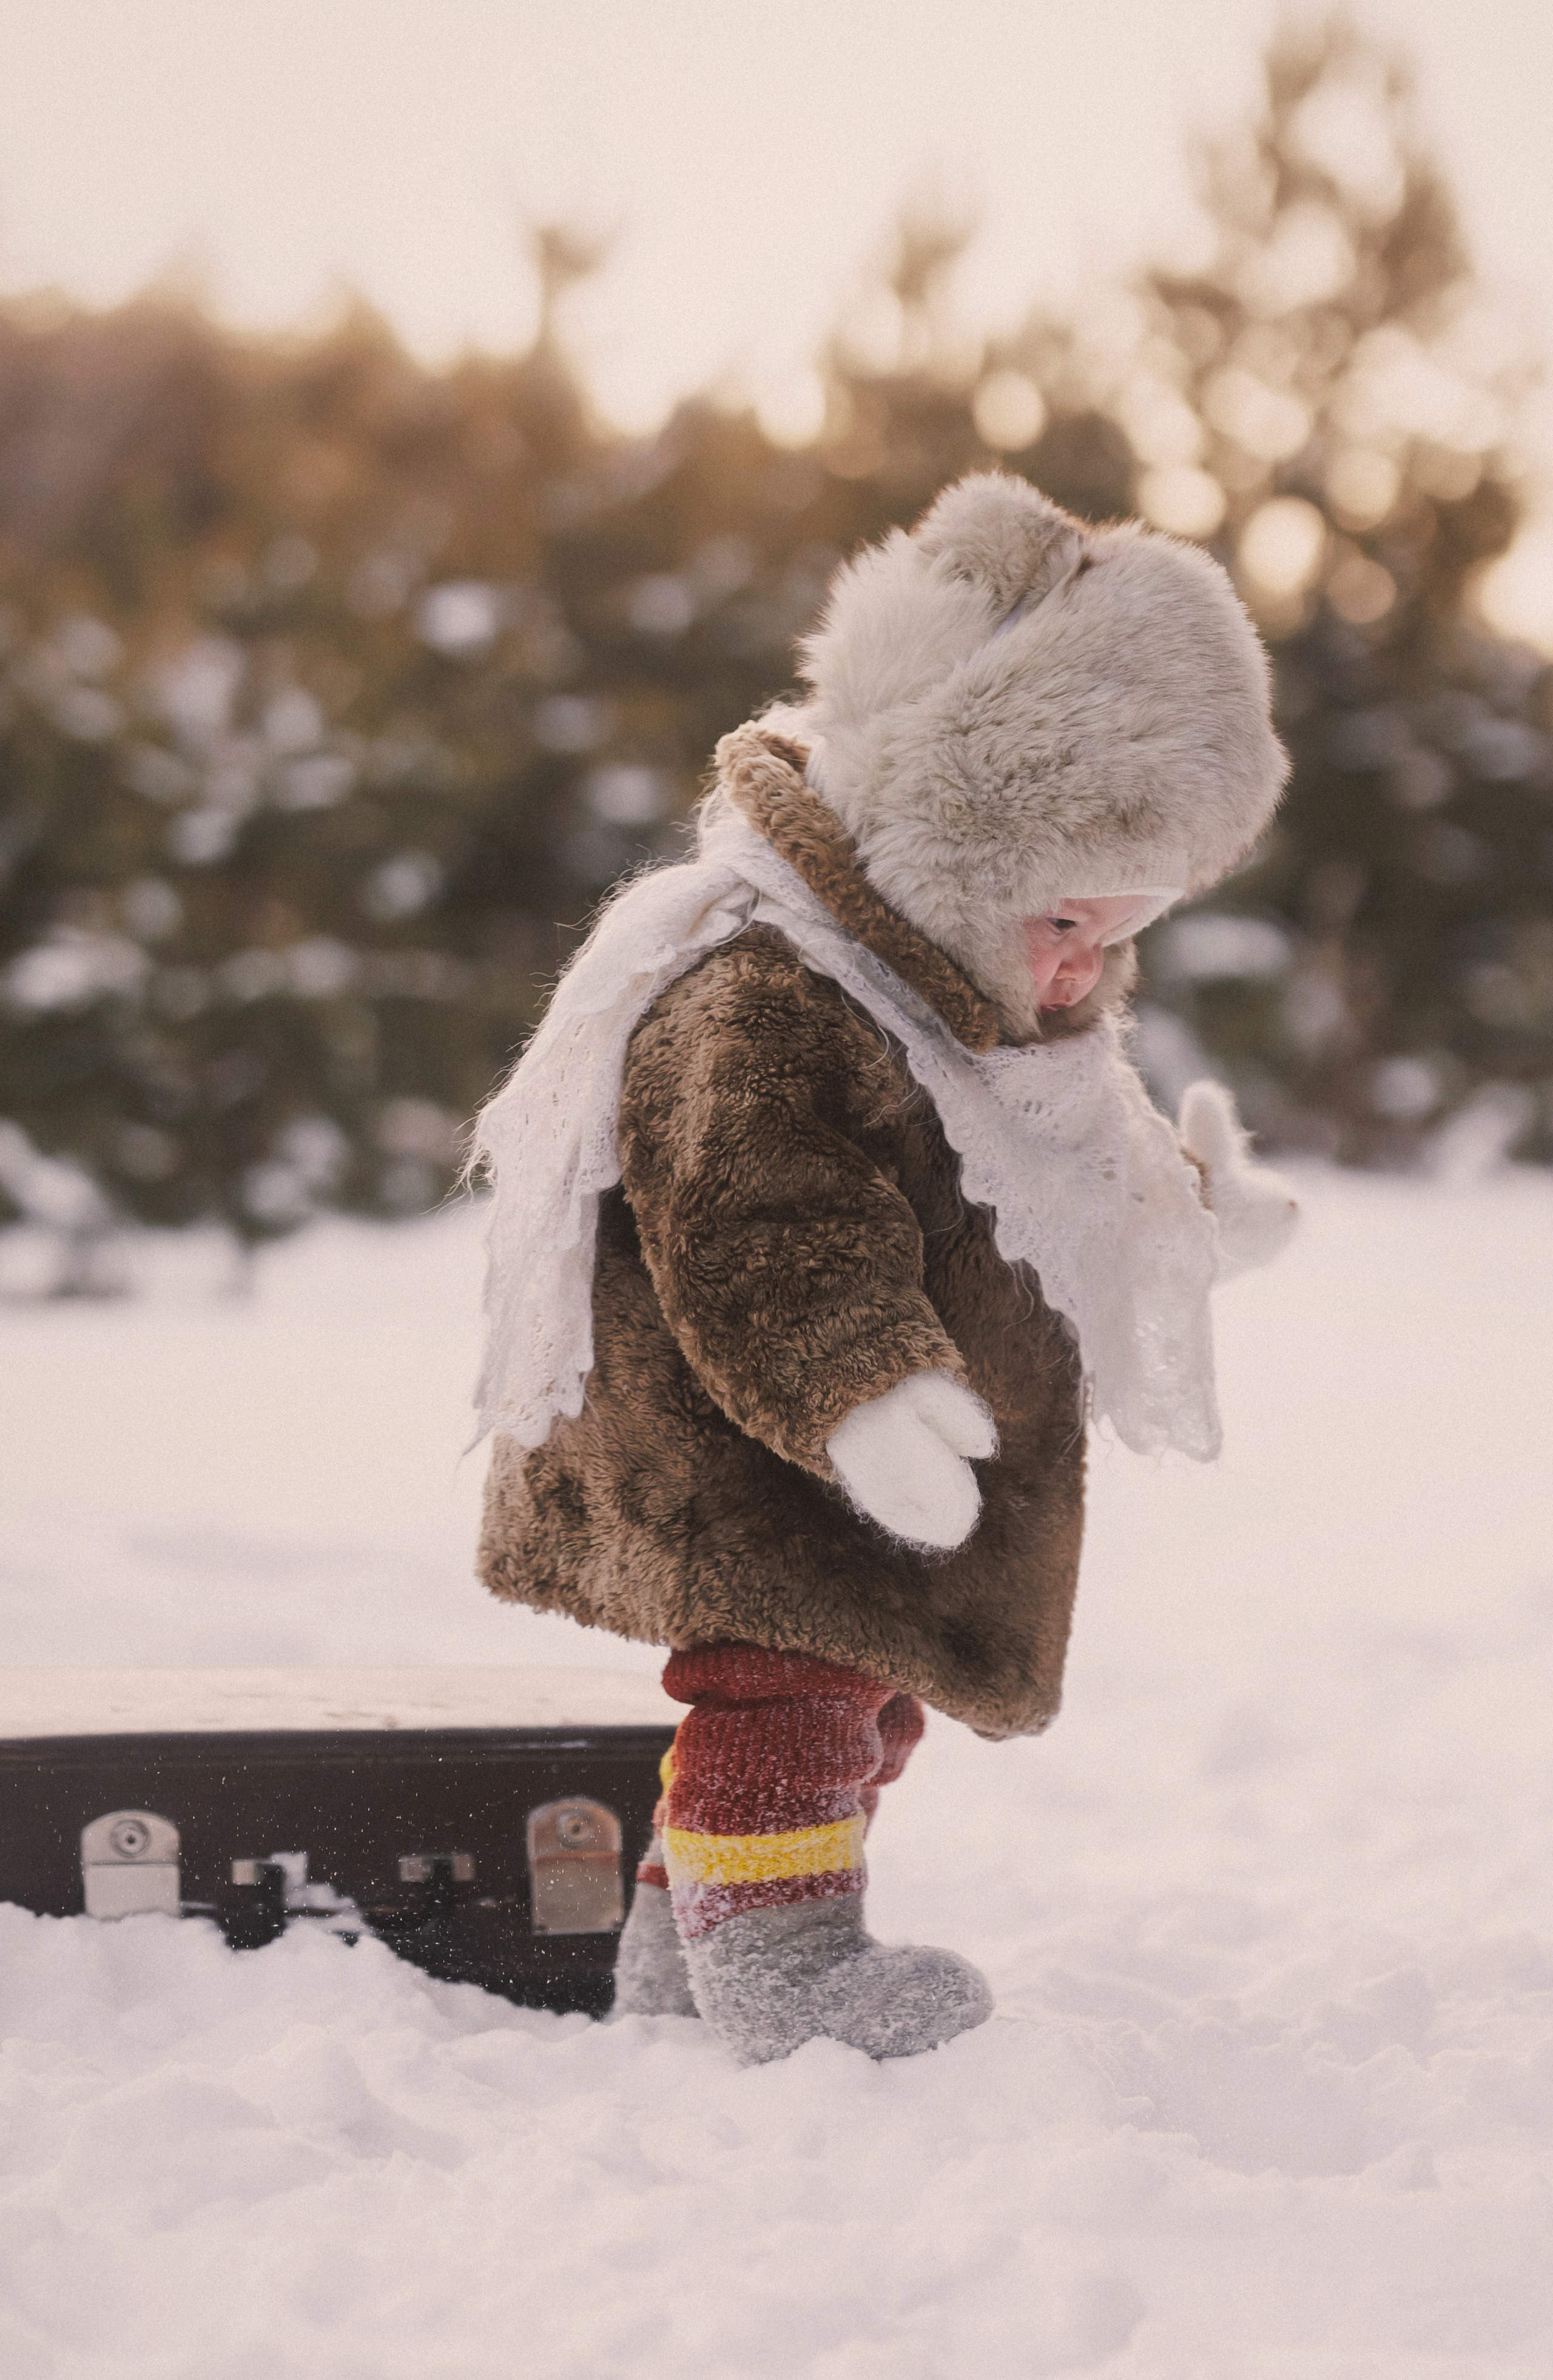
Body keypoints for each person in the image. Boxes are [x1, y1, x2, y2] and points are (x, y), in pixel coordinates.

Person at [470, 473, 1298, 2064]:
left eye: (1123, 931)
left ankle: (677, 1941)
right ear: (951, 835)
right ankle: (782, 1966)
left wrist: (1189, 1215)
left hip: (872, 1445)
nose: (1085, 969)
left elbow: (1050, 1174)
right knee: (786, 1687)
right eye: (1066, 916)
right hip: (754, 1441)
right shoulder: (764, 978)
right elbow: (757, 1211)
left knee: (848, 1701)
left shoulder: (967, 988)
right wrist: (859, 1392)